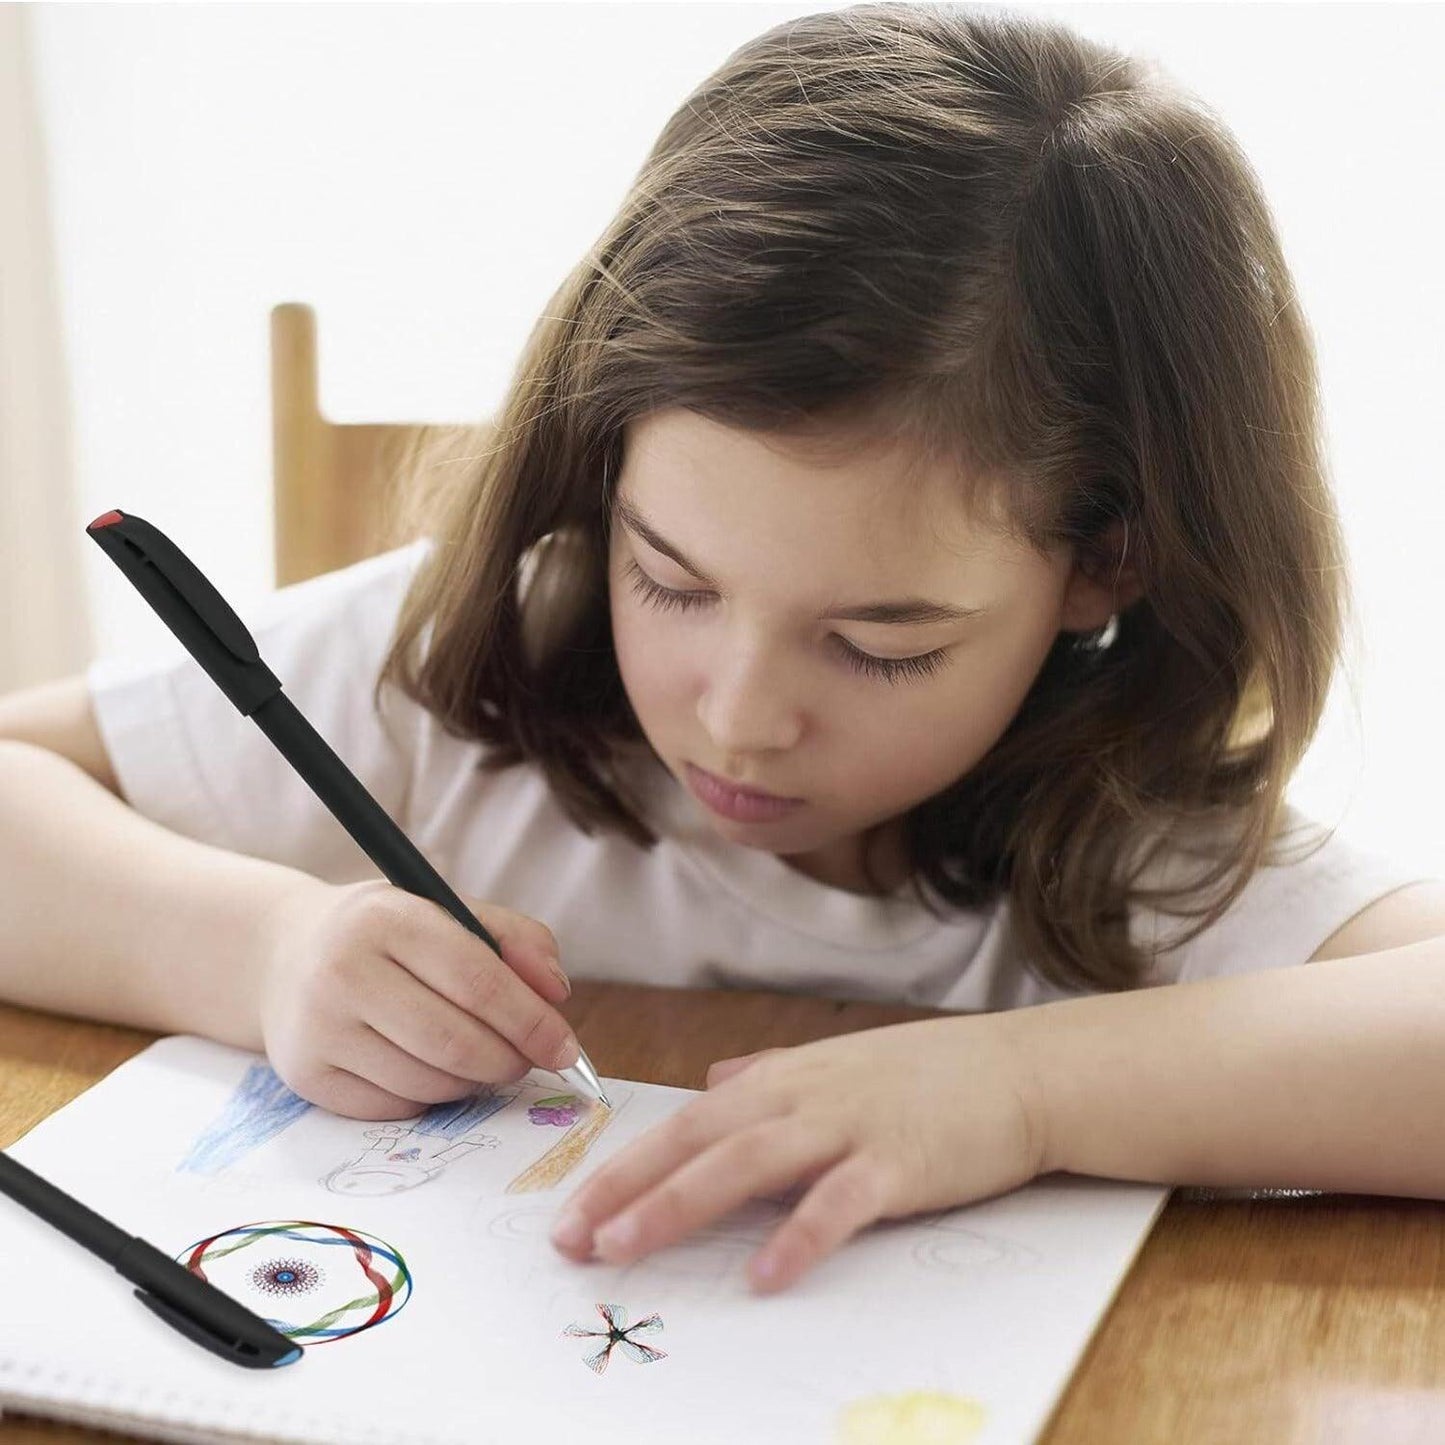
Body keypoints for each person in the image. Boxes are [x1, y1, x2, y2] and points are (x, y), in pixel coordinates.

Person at [2, 3, 1441, 1298]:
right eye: (669, 580)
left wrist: (1022, 1090)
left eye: (879, 644)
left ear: (1102, 558)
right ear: (602, 463)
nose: (740, 720)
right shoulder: (461, 659)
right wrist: (263, 947)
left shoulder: (1133, 849)